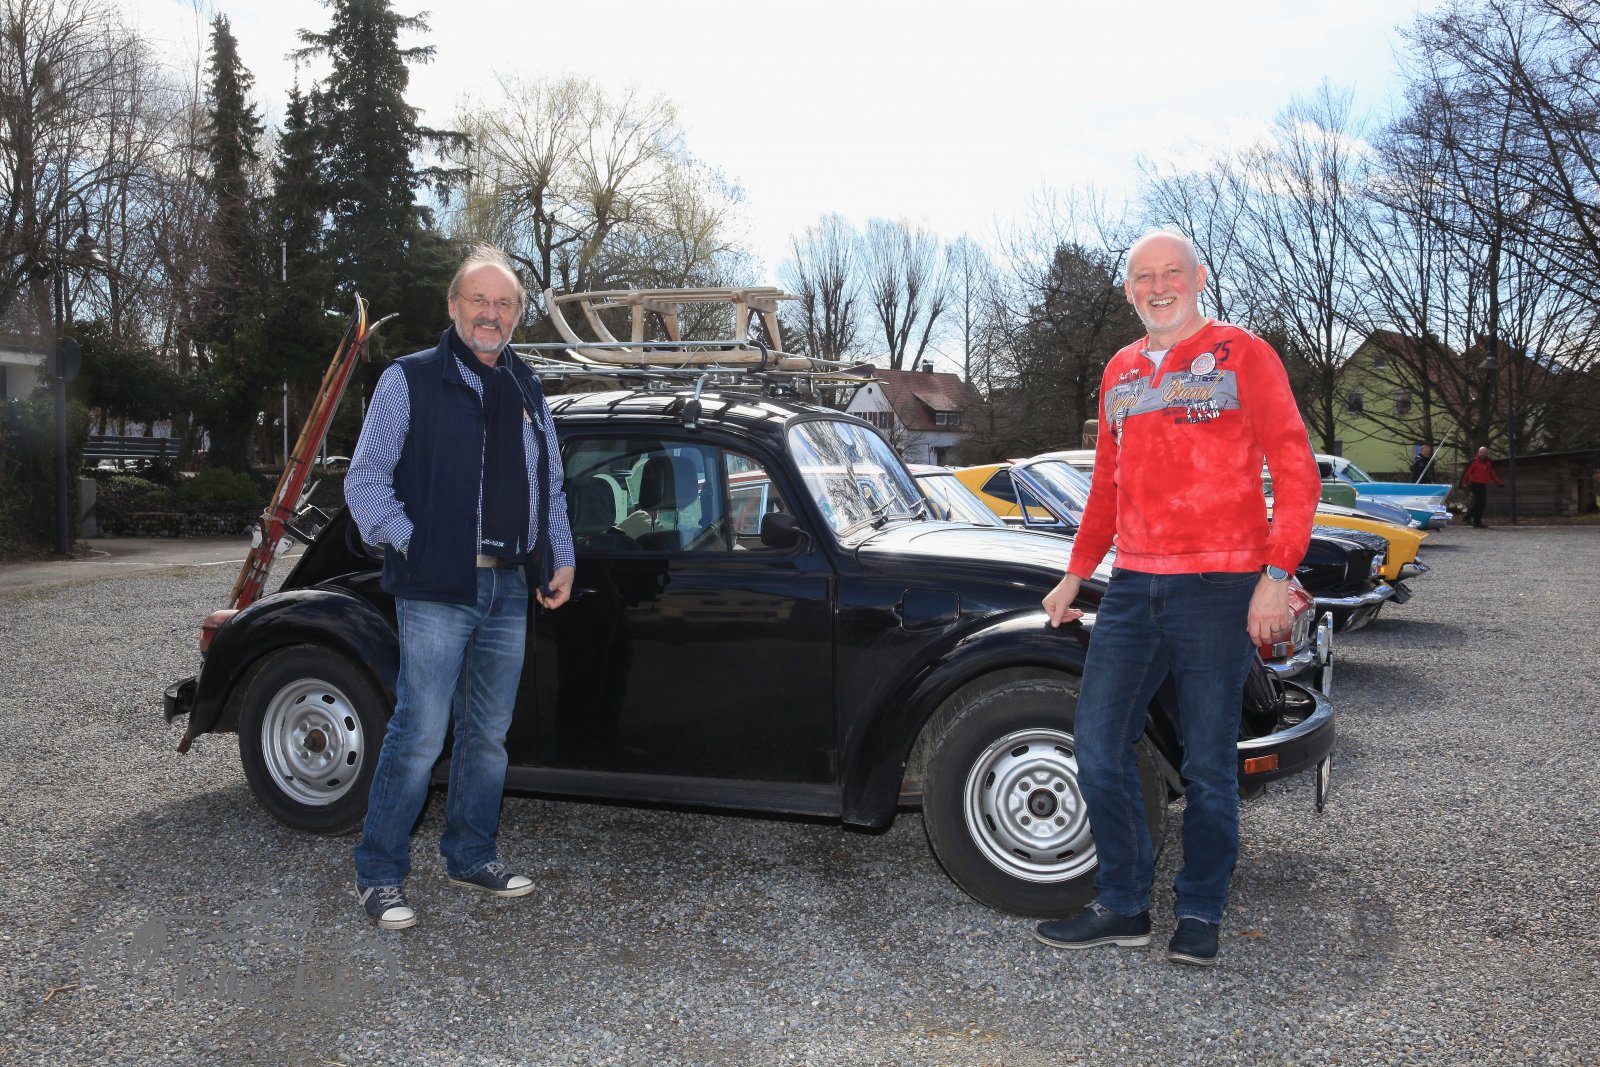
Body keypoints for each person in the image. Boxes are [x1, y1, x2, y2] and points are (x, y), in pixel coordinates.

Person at [1033, 229, 1320, 967]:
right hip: (1133, 584)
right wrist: (1076, 573)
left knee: (1207, 763)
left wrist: (1276, 575)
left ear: (1199, 277)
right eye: (1143, 277)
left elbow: (1296, 470)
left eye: (1172, 273)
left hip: (1221, 586)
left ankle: (1199, 909)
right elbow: (1106, 486)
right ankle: (1123, 904)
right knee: (1098, 745)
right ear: (1129, 289)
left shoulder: (1244, 354)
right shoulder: (1120, 370)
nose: (1158, 287)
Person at [345, 245, 575, 929]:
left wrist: (560, 556)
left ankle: (471, 854)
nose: (490, 313)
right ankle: (379, 872)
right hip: (436, 585)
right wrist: (417, 542)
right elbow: (364, 481)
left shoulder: (528, 389)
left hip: (509, 585)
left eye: (504, 303)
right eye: (479, 300)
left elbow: (549, 486)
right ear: (453, 306)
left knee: (488, 734)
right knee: (420, 731)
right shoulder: (409, 378)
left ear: (516, 316)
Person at [1460, 446, 1503, 528]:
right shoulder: (1474, 462)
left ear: (1487, 454)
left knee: (1481, 503)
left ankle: (1472, 519)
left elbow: (1492, 474)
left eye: (1484, 453)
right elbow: (1467, 473)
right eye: (1481, 453)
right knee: (1480, 502)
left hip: (1483, 485)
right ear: (1478, 453)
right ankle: (1472, 519)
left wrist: (1498, 483)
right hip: (1475, 484)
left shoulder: (1488, 464)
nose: (1482, 454)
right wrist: (1463, 483)